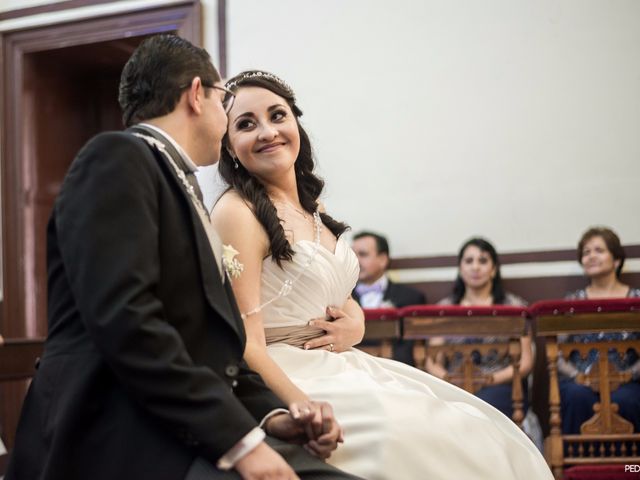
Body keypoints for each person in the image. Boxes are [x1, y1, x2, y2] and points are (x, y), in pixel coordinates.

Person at [6, 35, 358, 480]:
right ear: (197, 95)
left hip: (184, 426)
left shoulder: (179, 182)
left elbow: (213, 348)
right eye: (224, 100)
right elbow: (128, 323)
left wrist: (275, 418)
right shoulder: (116, 157)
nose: (224, 113)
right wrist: (241, 443)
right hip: (117, 433)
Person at [211, 69, 553, 480]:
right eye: (246, 124)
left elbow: (321, 291)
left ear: (296, 124)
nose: (267, 131)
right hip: (286, 372)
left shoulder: (312, 207)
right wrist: (298, 405)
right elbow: (245, 340)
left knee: (472, 424)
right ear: (229, 147)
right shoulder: (238, 212)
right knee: (408, 435)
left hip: (341, 363)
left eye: (277, 115)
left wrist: (356, 322)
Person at [427, 237, 534, 421]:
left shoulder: (513, 307)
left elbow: (525, 363)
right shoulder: (445, 308)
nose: (475, 267)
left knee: (479, 405)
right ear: (460, 269)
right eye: (469, 261)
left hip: (500, 384)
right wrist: (451, 380)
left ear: (493, 269)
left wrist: (488, 380)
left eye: (483, 261)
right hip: (454, 384)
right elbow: (431, 361)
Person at [559, 227, 640, 435]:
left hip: (628, 380)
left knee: (628, 399)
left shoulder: (635, 299)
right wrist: (579, 376)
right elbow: (557, 353)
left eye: (599, 250)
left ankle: (632, 468)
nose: (591, 256)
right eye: (586, 252)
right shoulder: (572, 301)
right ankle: (574, 466)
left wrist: (627, 375)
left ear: (616, 260)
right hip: (581, 381)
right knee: (576, 397)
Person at [351, 231, 426, 365]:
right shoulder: (342, 297)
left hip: (395, 370)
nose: (355, 260)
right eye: (352, 255)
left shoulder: (411, 298)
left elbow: (410, 347)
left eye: (363, 254)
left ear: (383, 260)